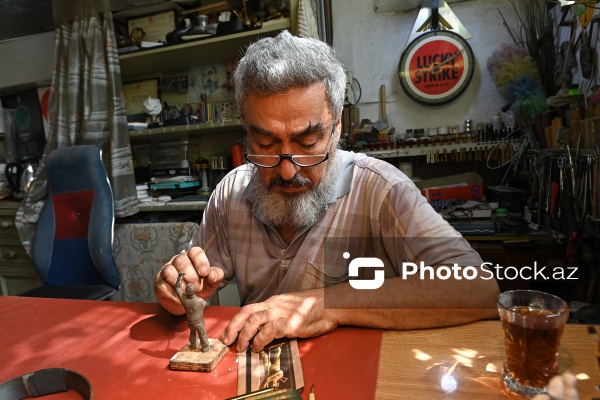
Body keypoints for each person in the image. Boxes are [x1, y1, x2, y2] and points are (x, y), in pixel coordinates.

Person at [155, 30, 500, 353]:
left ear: (336, 129)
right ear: (246, 132)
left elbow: (477, 289)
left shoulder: (381, 190)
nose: (287, 170)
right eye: (265, 143)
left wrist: (325, 304)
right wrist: (175, 288)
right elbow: (193, 286)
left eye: (307, 143)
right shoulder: (232, 191)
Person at [175, 271, 212, 352]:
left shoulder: (184, 299)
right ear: (194, 290)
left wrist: (180, 277)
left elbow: (177, 288)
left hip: (190, 322)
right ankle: (205, 347)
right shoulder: (200, 301)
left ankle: (193, 345)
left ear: (186, 291)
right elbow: (206, 305)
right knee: (202, 333)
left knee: (192, 332)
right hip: (199, 322)